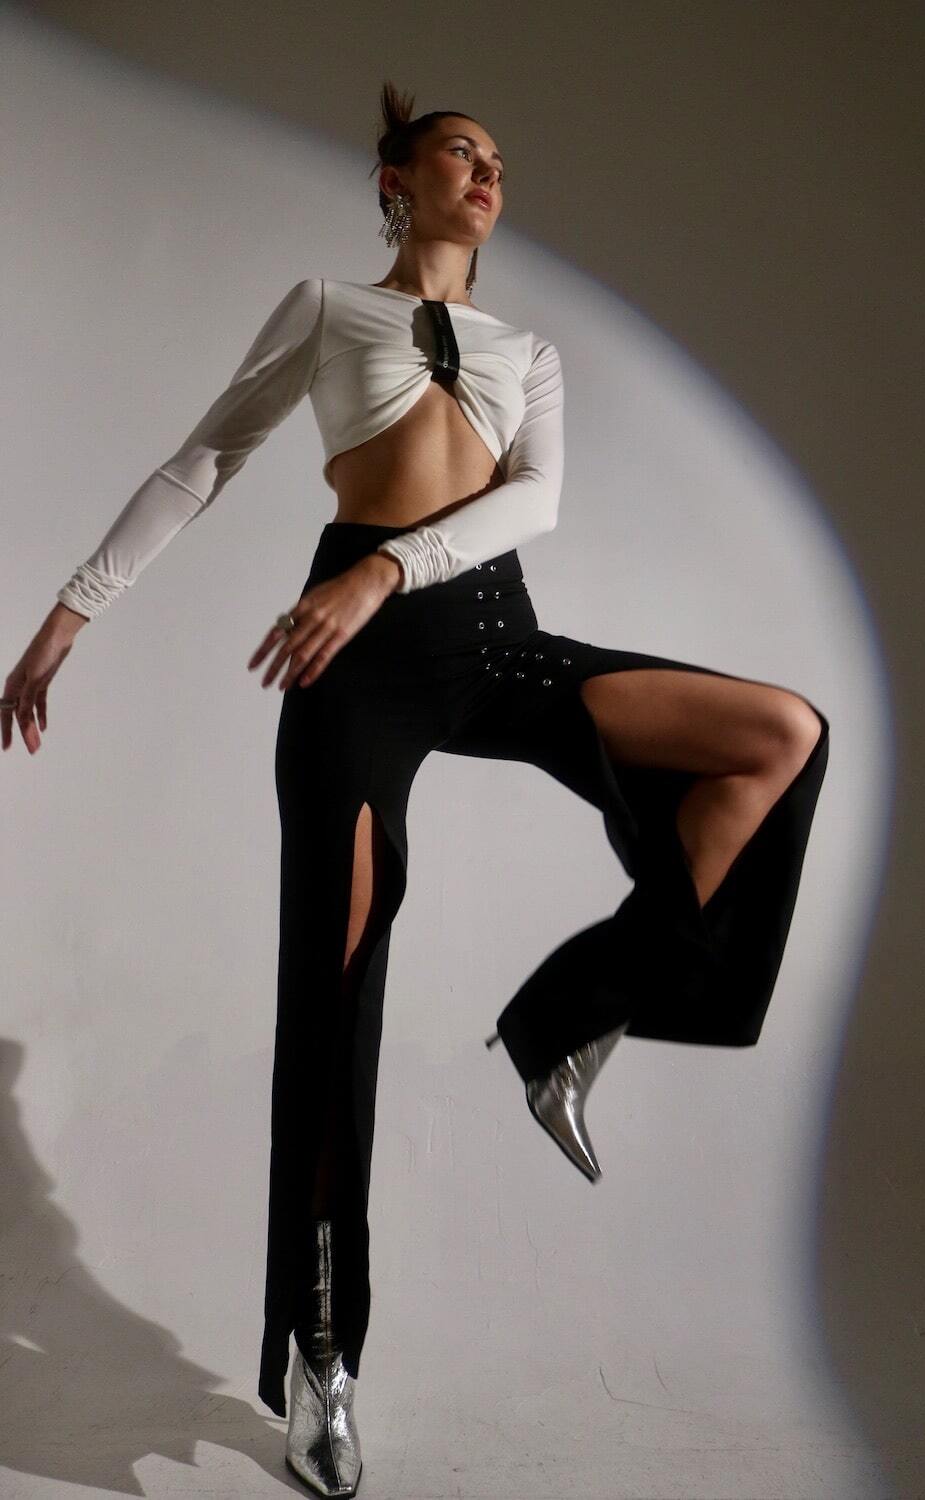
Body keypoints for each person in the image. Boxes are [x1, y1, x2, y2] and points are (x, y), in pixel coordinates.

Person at [3, 81, 830, 1500]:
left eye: (499, 159)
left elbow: (534, 501)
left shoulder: (528, 351)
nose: (488, 172)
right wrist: (68, 615)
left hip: (489, 634)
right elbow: (203, 460)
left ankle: (570, 1017)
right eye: (460, 151)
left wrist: (391, 566)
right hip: (355, 667)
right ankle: (325, 1358)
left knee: (776, 735)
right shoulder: (329, 308)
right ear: (396, 178)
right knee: (334, 1003)